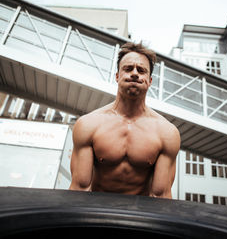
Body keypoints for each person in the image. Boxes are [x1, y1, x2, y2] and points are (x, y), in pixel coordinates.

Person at [69, 42, 180, 198]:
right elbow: (79, 188)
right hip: (96, 213)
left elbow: (161, 196)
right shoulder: (88, 125)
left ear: (149, 81)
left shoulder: (166, 133)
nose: (134, 73)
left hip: (140, 216)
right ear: (117, 76)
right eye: (128, 69)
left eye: (141, 71)